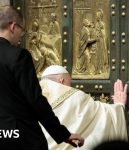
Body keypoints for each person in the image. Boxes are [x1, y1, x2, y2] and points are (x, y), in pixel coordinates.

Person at [0, 5, 84, 150]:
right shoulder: (18, 56)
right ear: (13, 26)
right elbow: (35, 100)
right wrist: (62, 133)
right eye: (22, 30)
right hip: (19, 136)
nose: (22, 35)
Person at [40, 65, 128, 150]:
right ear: (61, 81)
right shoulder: (75, 96)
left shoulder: (33, 98)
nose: (70, 88)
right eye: (69, 84)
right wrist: (119, 105)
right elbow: (104, 115)